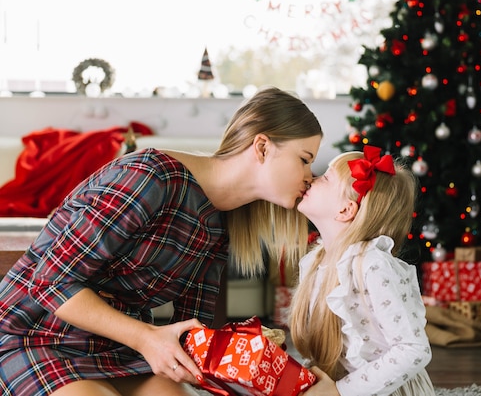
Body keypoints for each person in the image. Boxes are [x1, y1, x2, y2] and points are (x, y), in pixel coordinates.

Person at [0, 86, 323, 396]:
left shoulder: (223, 221)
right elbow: (49, 282)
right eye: (304, 159)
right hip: (34, 335)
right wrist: (147, 339)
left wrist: (252, 362)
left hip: (118, 347)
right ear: (263, 147)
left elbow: (192, 328)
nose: (309, 175)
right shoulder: (151, 176)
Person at [290, 145, 436, 396]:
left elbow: (414, 349)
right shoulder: (314, 262)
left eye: (325, 177)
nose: (312, 178)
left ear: (345, 210)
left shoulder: (372, 265)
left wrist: (339, 391)